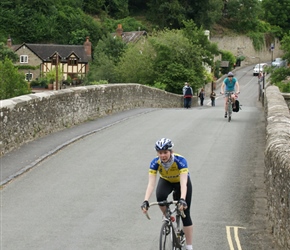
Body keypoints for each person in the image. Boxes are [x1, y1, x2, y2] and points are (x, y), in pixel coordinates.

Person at [141, 138, 193, 250]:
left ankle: (189, 246)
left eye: (165, 152)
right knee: (160, 196)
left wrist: (182, 199)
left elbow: (184, 183)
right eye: (160, 153)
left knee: (185, 213)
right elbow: (151, 184)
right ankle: (167, 217)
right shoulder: (155, 163)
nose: (163, 155)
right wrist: (145, 201)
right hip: (167, 181)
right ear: (157, 153)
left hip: (180, 182)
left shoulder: (180, 160)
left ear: (171, 152)